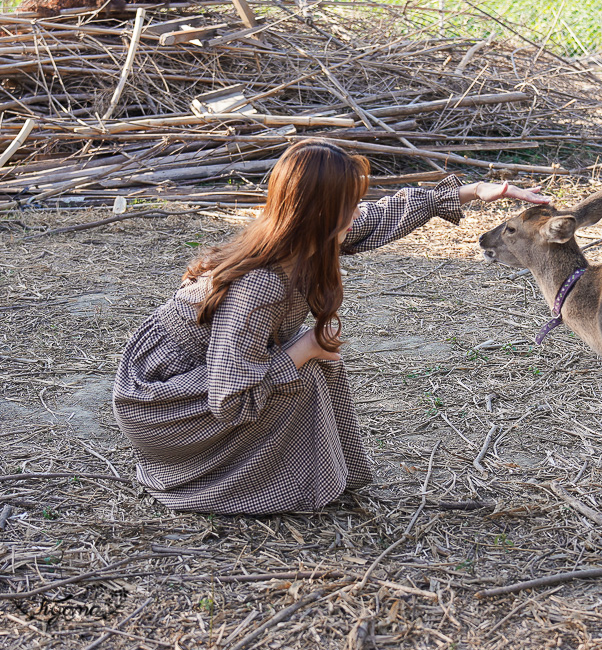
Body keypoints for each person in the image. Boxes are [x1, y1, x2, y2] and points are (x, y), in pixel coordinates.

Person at [113, 138, 548, 514]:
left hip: (198, 382)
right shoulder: (262, 286)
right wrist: (303, 350)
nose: (359, 212)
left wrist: (475, 191)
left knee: (308, 370)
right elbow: (231, 399)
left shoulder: (300, 239)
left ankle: (297, 475)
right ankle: (222, 482)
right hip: (163, 405)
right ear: (318, 214)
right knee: (300, 375)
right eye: (348, 204)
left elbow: (381, 216)